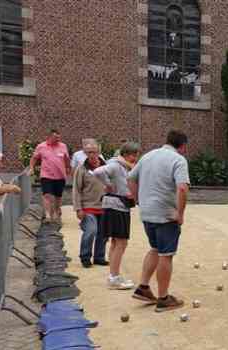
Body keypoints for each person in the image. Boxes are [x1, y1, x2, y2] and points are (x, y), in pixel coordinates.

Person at [128, 130, 190, 312]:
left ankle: (143, 287)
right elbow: (182, 189)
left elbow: (131, 178)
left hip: (147, 213)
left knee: (155, 248)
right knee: (166, 254)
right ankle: (163, 298)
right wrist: (180, 213)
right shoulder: (178, 160)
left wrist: (137, 200)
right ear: (183, 146)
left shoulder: (148, 156)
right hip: (165, 215)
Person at [92, 140, 141, 290]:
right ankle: (114, 278)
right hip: (117, 206)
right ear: (125, 154)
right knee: (121, 242)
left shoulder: (124, 166)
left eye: (136, 155)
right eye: (133, 155)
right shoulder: (116, 165)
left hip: (117, 206)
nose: (136, 158)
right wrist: (108, 185)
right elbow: (98, 172)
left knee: (116, 242)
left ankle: (114, 276)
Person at [72, 139, 108, 268]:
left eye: (94, 152)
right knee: (91, 231)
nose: (91, 155)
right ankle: (85, 256)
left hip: (104, 206)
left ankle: (99, 257)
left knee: (103, 233)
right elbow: (76, 189)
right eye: (88, 152)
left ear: (99, 152)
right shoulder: (81, 169)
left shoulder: (106, 167)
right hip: (88, 207)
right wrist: (78, 208)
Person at [29, 129, 71, 223]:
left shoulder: (63, 146)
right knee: (47, 195)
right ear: (49, 137)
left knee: (58, 196)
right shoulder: (41, 146)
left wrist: (68, 168)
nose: (58, 139)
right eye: (56, 137)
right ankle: (48, 215)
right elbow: (34, 158)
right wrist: (31, 168)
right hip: (46, 175)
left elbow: (67, 159)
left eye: (59, 137)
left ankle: (56, 212)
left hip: (60, 175)